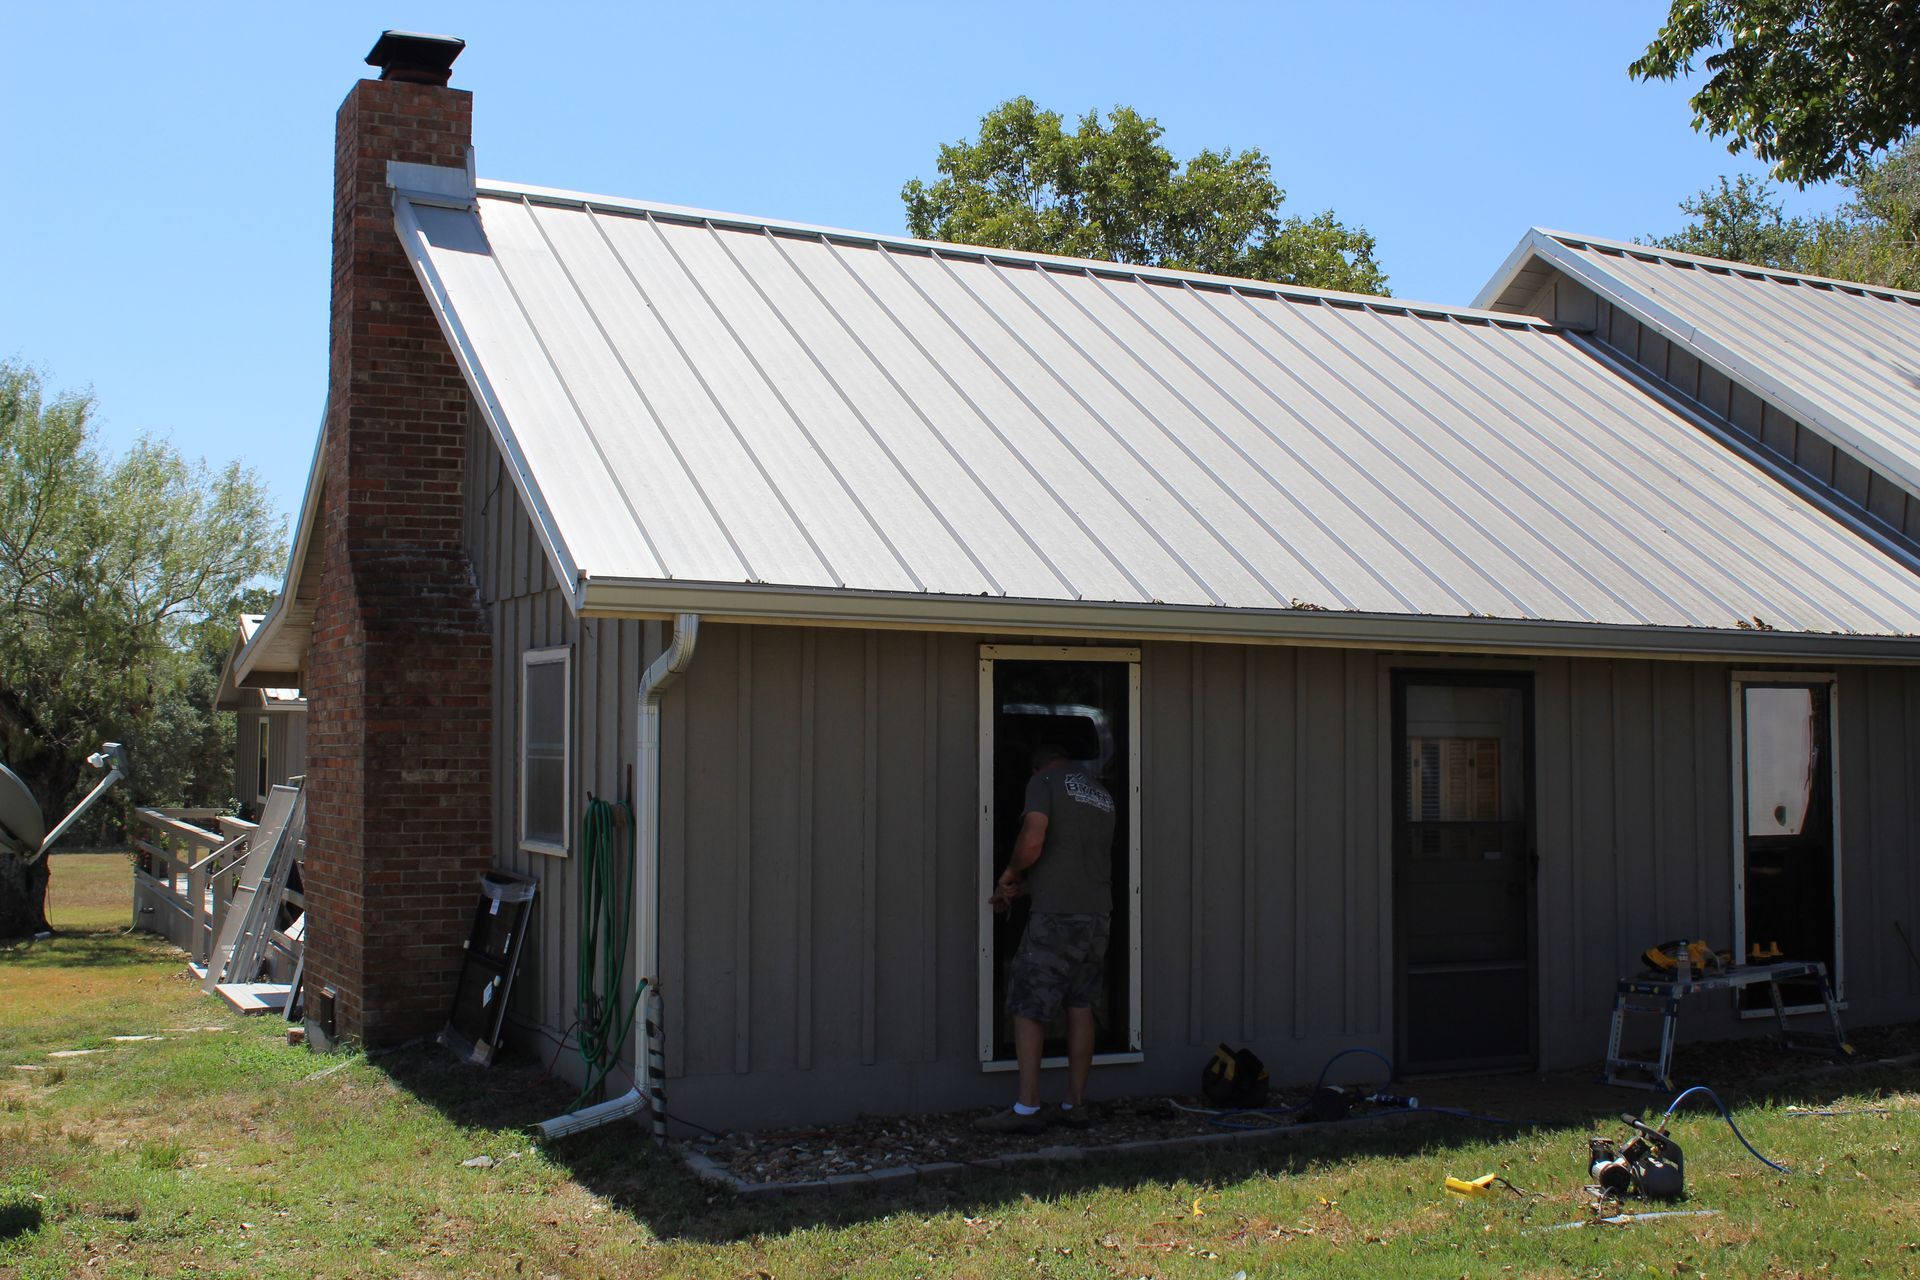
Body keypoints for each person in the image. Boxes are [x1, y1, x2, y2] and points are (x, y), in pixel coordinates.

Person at [974, 742, 1116, 1134]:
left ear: (1037, 766)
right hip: (1097, 914)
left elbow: (1034, 839)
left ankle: (1027, 1107)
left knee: (1028, 1003)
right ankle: (1075, 1104)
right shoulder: (1099, 793)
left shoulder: (1045, 782)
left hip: (1057, 917)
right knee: (1081, 1004)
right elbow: (1074, 861)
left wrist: (1011, 873)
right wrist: (1031, 886)